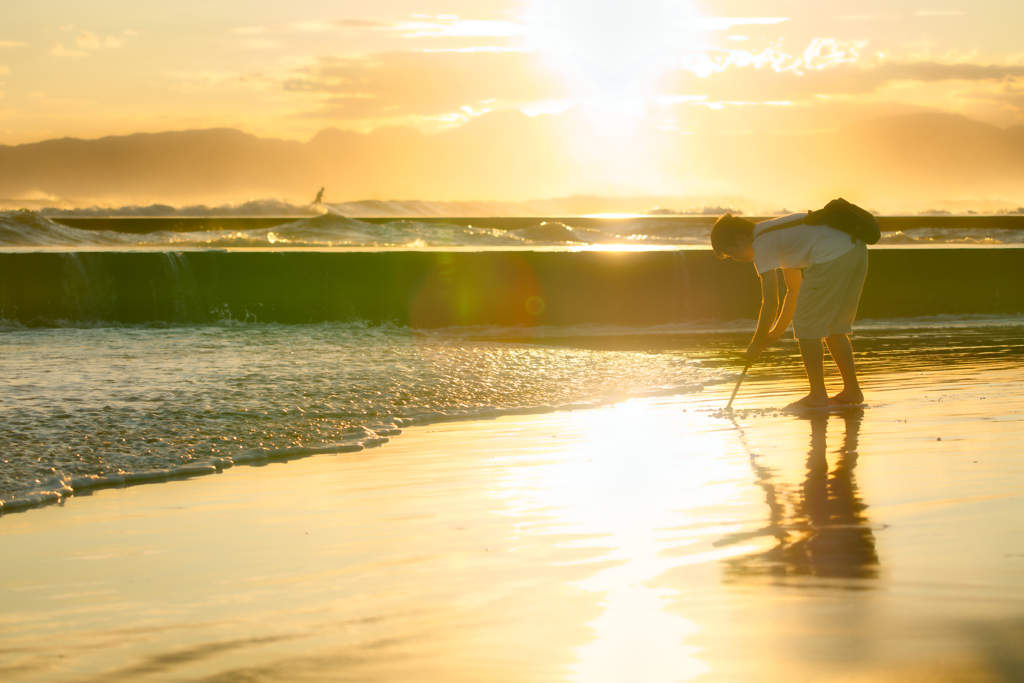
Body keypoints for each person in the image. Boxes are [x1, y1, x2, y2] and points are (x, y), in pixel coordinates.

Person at [711, 211, 869, 410]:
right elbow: (794, 289)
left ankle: (818, 395)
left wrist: (756, 342)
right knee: (833, 325)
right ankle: (852, 391)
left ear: (738, 238)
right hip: (855, 249)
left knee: (806, 323)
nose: (738, 259)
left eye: (733, 253)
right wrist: (775, 333)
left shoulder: (762, 243)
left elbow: (770, 301)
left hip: (832, 255)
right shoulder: (775, 234)